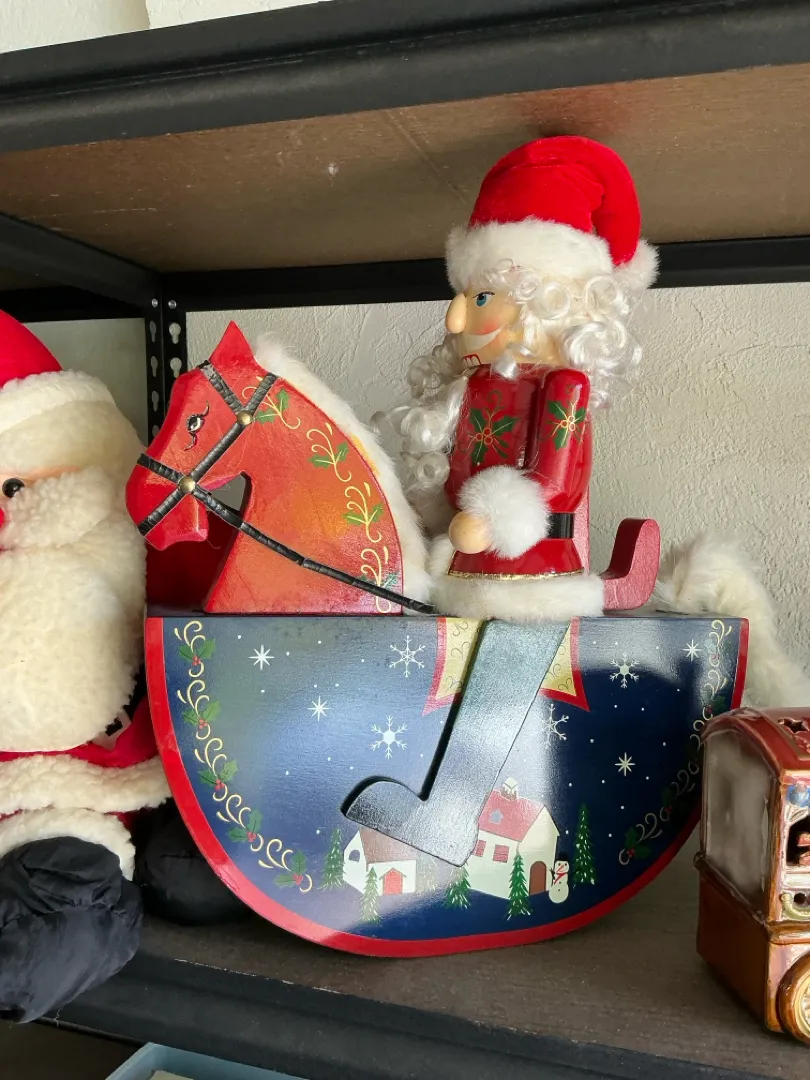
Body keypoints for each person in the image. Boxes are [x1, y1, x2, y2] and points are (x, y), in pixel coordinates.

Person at [383, 136, 657, 622]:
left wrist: (495, 517)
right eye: (463, 299)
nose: (455, 321)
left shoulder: (564, 387)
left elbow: (555, 477)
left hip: (534, 572)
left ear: (545, 304)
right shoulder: (470, 388)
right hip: (466, 564)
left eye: (480, 299)